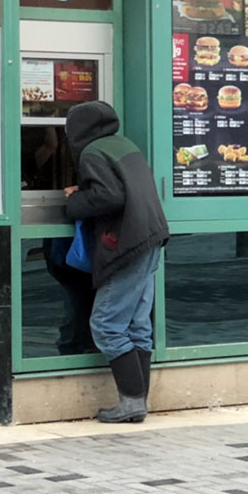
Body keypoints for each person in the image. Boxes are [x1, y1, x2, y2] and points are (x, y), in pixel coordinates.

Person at [63, 101, 169, 423]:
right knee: (138, 326)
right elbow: (122, 188)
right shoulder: (123, 145)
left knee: (106, 324)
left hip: (127, 244)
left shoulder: (93, 152)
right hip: (150, 238)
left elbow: (109, 196)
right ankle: (136, 401)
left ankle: (132, 403)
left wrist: (74, 200)